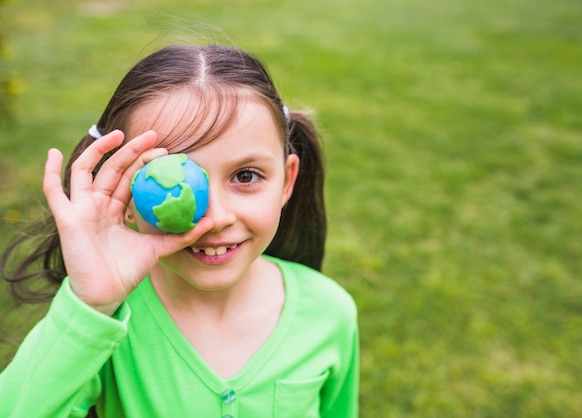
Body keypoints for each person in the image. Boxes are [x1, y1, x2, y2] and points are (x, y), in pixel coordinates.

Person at [0, 43, 359, 417]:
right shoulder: (103, 326)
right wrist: (90, 305)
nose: (216, 218)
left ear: (287, 182)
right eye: (170, 178)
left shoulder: (330, 313)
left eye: (246, 176)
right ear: (123, 195)